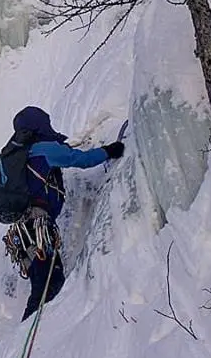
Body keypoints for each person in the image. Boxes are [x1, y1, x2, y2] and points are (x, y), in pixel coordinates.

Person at [8, 106, 124, 320]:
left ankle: (26, 337)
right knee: (49, 286)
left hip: (21, 233)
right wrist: (109, 151)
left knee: (41, 285)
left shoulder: (16, 154)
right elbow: (80, 160)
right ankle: (26, 340)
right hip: (39, 228)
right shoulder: (44, 149)